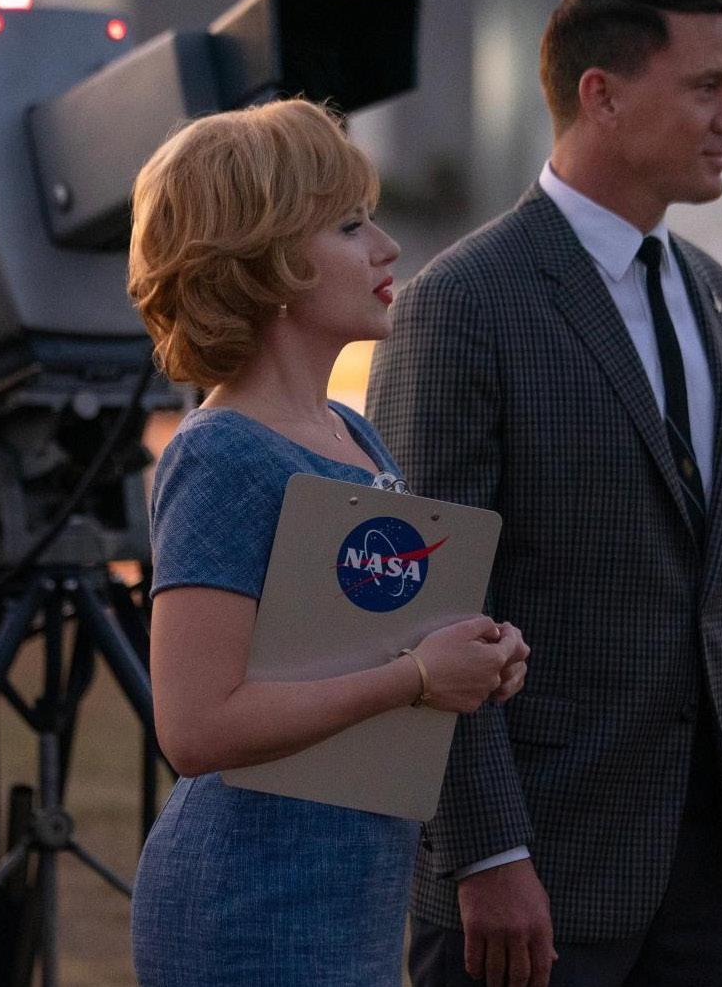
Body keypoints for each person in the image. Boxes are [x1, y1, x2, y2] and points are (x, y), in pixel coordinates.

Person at [366, 0, 722, 987]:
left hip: (711, 868)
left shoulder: (721, 304)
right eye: (705, 86)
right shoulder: (463, 302)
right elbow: (425, 601)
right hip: (532, 877)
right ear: (600, 95)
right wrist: (486, 850)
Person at [126, 98, 531, 986]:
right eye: (349, 226)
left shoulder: (356, 434)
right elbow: (195, 726)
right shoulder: (220, 451)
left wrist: (473, 657)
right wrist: (416, 677)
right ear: (264, 259)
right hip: (248, 902)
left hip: (348, 892)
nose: (387, 247)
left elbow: (349, 652)